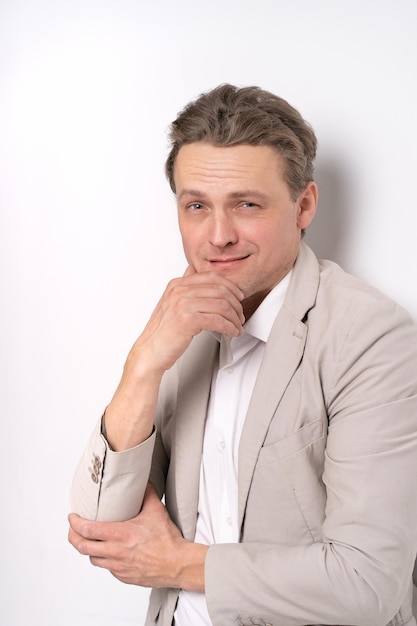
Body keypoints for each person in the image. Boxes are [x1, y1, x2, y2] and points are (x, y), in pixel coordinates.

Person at [68, 84, 417, 626]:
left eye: (246, 205)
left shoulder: (369, 336)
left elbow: (366, 584)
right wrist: (142, 366)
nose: (218, 236)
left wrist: (182, 565)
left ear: (304, 205)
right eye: (197, 206)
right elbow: (97, 525)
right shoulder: (178, 327)